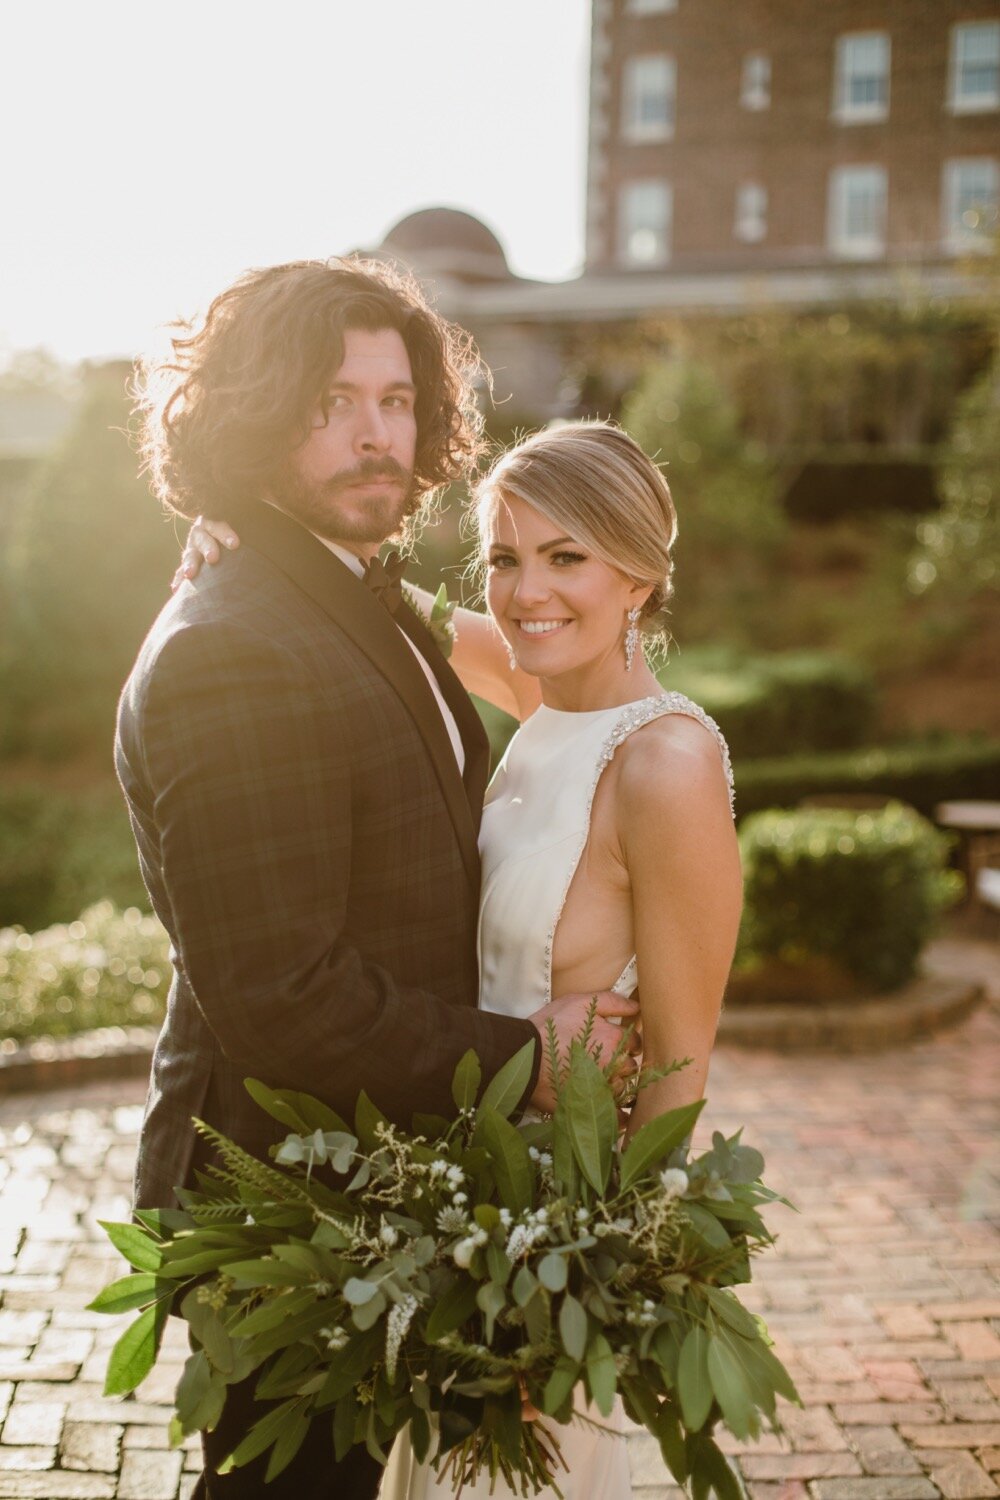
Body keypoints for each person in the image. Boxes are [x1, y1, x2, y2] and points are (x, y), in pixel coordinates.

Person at [116, 258, 641, 1500]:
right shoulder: (234, 647)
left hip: (388, 1177)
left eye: (396, 400)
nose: (374, 433)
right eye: (327, 402)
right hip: (288, 1208)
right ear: (249, 415)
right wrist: (531, 1057)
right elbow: (282, 996)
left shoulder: (352, 594)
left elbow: (545, 684)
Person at [180, 420, 744, 1499]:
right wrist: (242, 543)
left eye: (566, 556)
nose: (527, 591)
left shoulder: (665, 763)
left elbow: (677, 1074)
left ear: (640, 575)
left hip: (542, 1251)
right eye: (503, 556)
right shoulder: (542, 691)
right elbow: (371, 604)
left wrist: (571, 1299)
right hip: (438, 1215)